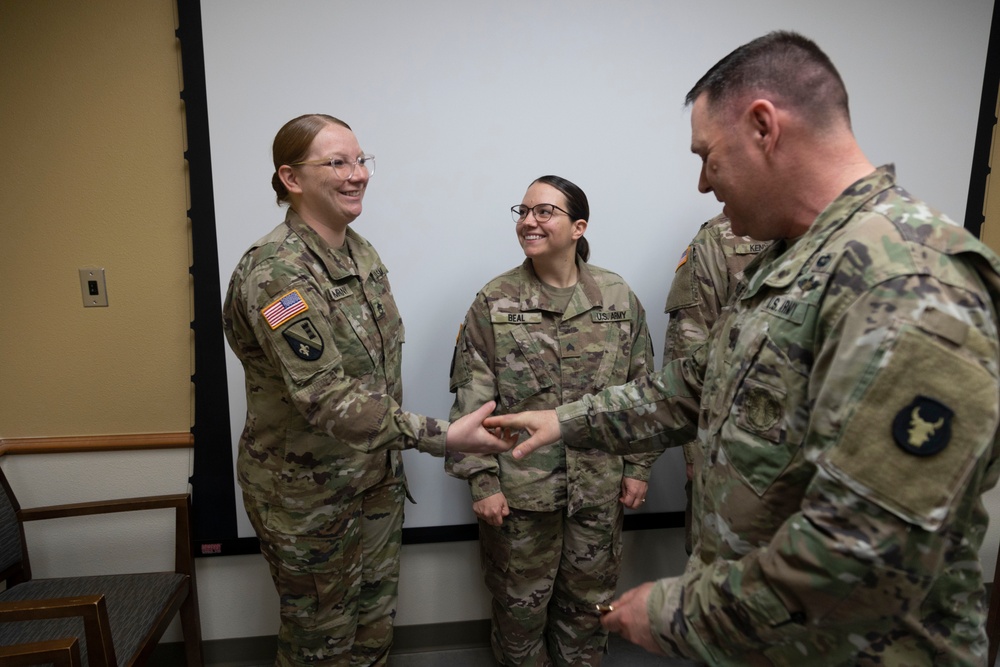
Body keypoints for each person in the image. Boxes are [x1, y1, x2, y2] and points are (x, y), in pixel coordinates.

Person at [485, 31, 1000, 665]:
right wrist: (563, 421)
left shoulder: (906, 282)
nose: (703, 183)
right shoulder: (792, 261)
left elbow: (866, 549)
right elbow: (689, 387)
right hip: (768, 638)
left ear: (763, 126)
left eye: (708, 155)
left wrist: (678, 613)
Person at [222, 114, 511, 667]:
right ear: (291, 178)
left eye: (360, 160)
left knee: (373, 631)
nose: (357, 175)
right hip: (308, 496)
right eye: (337, 162)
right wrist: (443, 435)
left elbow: (376, 372)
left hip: (373, 480)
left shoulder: (360, 253)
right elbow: (327, 397)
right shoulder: (277, 272)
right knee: (321, 645)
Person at [446, 175, 659, 666]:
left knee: (589, 614)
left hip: (598, 492)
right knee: (520, 617)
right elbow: (470, 401)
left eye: (544, 212)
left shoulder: (617, 297)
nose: (528, 222)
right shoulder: (494, 301)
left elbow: (644, 391)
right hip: (521, 496)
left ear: (578, 226)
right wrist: (482, 483)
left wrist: (639, 467)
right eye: (522, 211)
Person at [663, 213, 770, 554]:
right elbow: (688, 352)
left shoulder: (848, 234)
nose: (705, 183)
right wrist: (696, 452)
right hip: (733, 459)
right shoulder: (719, 239)